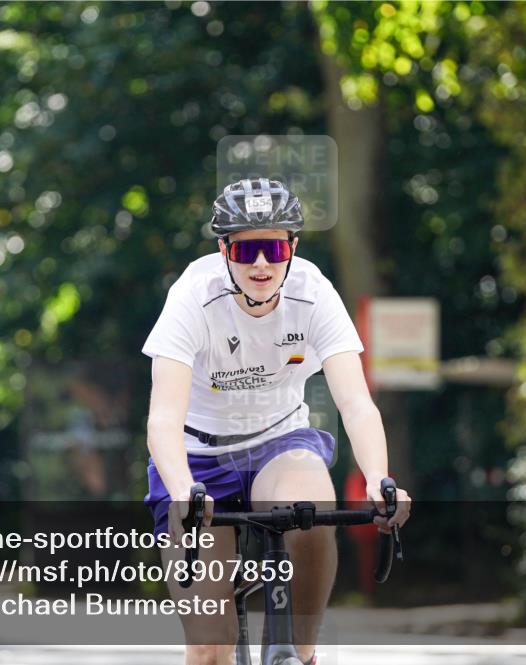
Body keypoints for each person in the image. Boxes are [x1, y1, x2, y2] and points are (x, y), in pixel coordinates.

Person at [142, 177, 411, 665]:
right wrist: (182, 490)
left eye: (275, 248)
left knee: (311, 513)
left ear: (293, 248)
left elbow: (356, 402)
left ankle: (299, 652)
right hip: (197, 457)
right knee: (209, 649)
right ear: (224, 251)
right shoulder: (192, 296)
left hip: (279, 441)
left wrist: (378, 478)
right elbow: (163, 417)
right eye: (247, 251)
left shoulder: (314, 292)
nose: (262, 264)